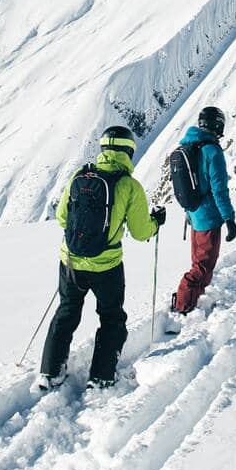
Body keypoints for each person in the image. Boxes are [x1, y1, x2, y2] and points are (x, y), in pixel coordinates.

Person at [38, 125, 166, 390]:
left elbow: (62, 216)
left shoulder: (80, 175)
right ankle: (101, 376)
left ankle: (50, 373)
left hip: (70, 261)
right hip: (106, 265)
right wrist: (156, 222)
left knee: (66, 312)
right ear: (128, 151)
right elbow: (141, 232)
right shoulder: (129, 186)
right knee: (111, 318)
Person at [171, 105, 235, 317]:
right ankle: (182, 305)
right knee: (203, 266)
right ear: (217, 124)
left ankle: (192, 300)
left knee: (198, 263)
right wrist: (229, 217)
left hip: (194, 215)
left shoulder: (189, 146)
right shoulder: (211, 151)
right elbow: (219, 188)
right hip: (208, 217)